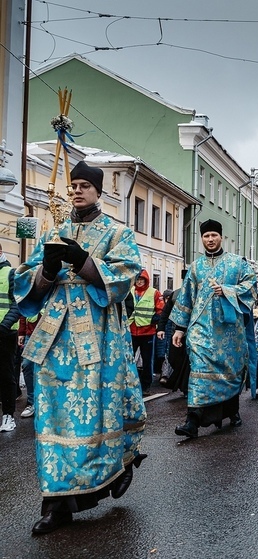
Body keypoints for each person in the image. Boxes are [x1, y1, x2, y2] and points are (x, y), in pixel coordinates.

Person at [14, 160, 146, 534]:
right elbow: (28, 283)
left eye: (84, 185)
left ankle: (116, 467)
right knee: (53, 418)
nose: (76, 190)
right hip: (55, 340)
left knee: (97, 415)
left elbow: (123, 277)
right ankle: (57, 506)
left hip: (99, 338)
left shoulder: (118, 233)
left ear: (99, 191)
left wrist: (84, 261)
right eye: (72, 185)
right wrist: (49, 270)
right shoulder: (53, 232)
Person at [171, 219, 255, 438]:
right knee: (198, 373)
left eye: (213, 236)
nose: (210, 240)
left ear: (221, 237)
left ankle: (232, 411)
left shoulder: (237, 263)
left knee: (228, 372)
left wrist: (227, 290)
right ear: (202, 239)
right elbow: (186, 298)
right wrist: (180, 328)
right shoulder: (196, 266)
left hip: (228, 331)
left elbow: (251, 287)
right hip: (200, 330)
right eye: (206, 236)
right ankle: (192, 420)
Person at [128, 269, 163, 394]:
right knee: (128, 358)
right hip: (131, 330)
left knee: (147, 360)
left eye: (142, 279)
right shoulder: (129, 290)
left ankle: (146, 385)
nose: (139, 282)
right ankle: (130, 383)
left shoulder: (154, 292)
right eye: (138, 279)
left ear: (146, 280)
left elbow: (161, 310)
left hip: (147, 331)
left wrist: (155, 320)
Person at [0, 243, 20, 432]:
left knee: (6, 376)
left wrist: (4, 326)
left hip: (5, 333)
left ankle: (8, 416)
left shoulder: (10, 273)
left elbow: (18, 303)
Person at [17, 313, 40, 418]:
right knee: (27, 365)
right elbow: (24, 309)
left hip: (52, 332)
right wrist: (21, 332)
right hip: (31, 334)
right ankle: (31, 402)